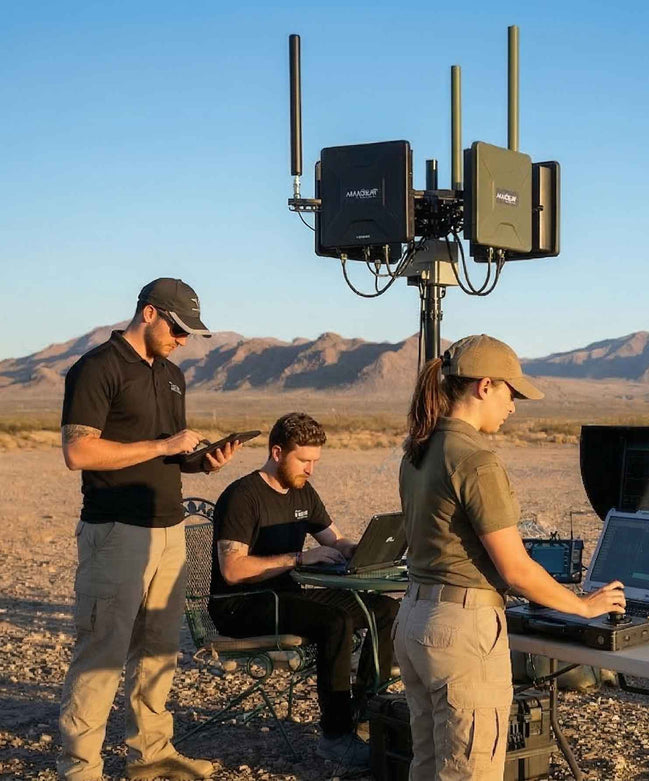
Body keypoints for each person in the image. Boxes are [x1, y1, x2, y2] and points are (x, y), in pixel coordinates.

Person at [394, 334, 627, 781]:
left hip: (416, 620)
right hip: (461, 632)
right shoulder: (475, 460)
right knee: (468, 771)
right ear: (484, 386)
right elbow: (515, 569)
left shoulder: (418, 450)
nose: (513, 407)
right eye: (510, 392)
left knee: (427, 764)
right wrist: (584, 607)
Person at [58, 278, 240, 781]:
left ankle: (151, 755)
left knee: (159, 650)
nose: (182, 340)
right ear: (150, 312)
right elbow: (78, 453)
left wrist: (202, 462)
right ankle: (79, 769)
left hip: (169, 528)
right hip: (116, 531)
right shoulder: (97, 368)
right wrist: (164, 447)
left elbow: (169, 453)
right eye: (178, 328)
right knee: (103, 652)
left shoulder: (173, 375)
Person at [208, 412, 399, 771]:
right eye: (304, 460)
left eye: (315, 461)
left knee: (384, 609)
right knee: (336, 622)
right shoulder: (242, 497)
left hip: (285, 595)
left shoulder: (303, 491)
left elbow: (336, 540)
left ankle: (368, 712)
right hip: (241, 605)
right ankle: (335, 736)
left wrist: (366, 551)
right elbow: (232, 570)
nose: (311, 469)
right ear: (277, 453)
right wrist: (299, 557)